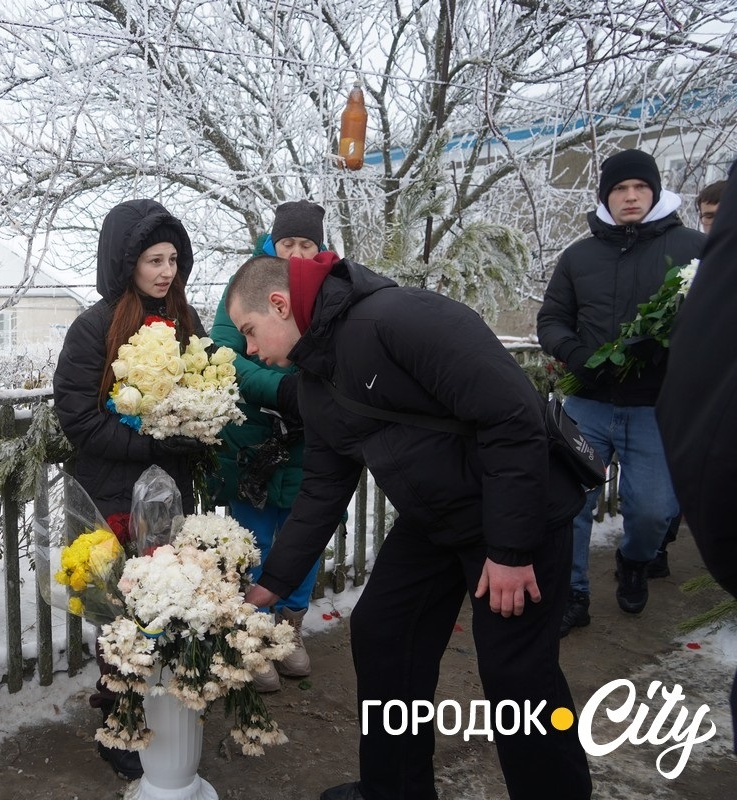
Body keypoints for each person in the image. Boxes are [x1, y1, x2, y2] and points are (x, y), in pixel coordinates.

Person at [228, 251, 591, 800]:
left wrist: (512, 551)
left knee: (518, 680)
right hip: (436, 522)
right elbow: (322, 490)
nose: (251, 350)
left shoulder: (400, 317)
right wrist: (270, 586)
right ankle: (392, 788)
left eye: (250, 333)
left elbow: (512, 415)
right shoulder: (316, 382)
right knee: (382, 634)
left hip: (514, 513)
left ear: (280, 304)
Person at [52, 198, 209, 780]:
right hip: (114, 494)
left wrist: (198, 427)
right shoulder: (94, 328)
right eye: (153, 260)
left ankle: (164, 705)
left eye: (173, 260)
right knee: (120, 613)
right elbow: (78, 418)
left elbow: (203, 390)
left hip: (173, 494)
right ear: (126, 263)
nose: (166, 272)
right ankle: (120, 721)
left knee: (170, 602)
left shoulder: (185, 322)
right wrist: (154, 442)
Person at [537, 148, 706, 635]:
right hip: (587, 403)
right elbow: (551, 318)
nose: (629, 197)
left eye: (639, 188)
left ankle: (634, 561)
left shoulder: (693, 249)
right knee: (569, 503)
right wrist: (576, 355)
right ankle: (573, 593)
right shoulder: (579, 256)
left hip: (655, 407)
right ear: (605, 197)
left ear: (655, 193)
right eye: (618, 189)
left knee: (653, 511)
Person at [211, 200, 326, 693]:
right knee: (252, 541)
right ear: (273, 242)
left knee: (306, 537)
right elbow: (226, 354)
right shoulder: (249, 283)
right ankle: (252, 635)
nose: (298, 252)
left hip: (309, 441)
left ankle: (288, 630)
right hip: (253, 441)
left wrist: (309, 395)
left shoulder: (326, 287)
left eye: (307, 244)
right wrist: (280, 389)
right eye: (289, 243)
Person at [658, 160, 737, 748]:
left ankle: (639, 560)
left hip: (688, 425)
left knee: (648, 508)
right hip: (676, 414)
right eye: (707, 217)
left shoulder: (692, 261)